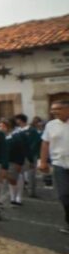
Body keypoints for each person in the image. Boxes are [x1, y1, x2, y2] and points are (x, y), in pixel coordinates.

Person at [39, 100, 69, 234]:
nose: (54, 112)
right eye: (52, 109)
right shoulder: (50, 125)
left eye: (58, 109)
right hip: (59, 164)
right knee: (63, 195)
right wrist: (43, 162)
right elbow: (45, 144)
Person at [0, 119, 25, 206]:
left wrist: (19, 163)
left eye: (2, 126)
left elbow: (21, 150)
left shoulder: (16, 137)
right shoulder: (1, 137)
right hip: (5, 161)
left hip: (14, 161)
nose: (0, 128)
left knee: (15, 178)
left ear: (8, 127)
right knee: (8, 179)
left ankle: (19, 196)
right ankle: (12, 197)